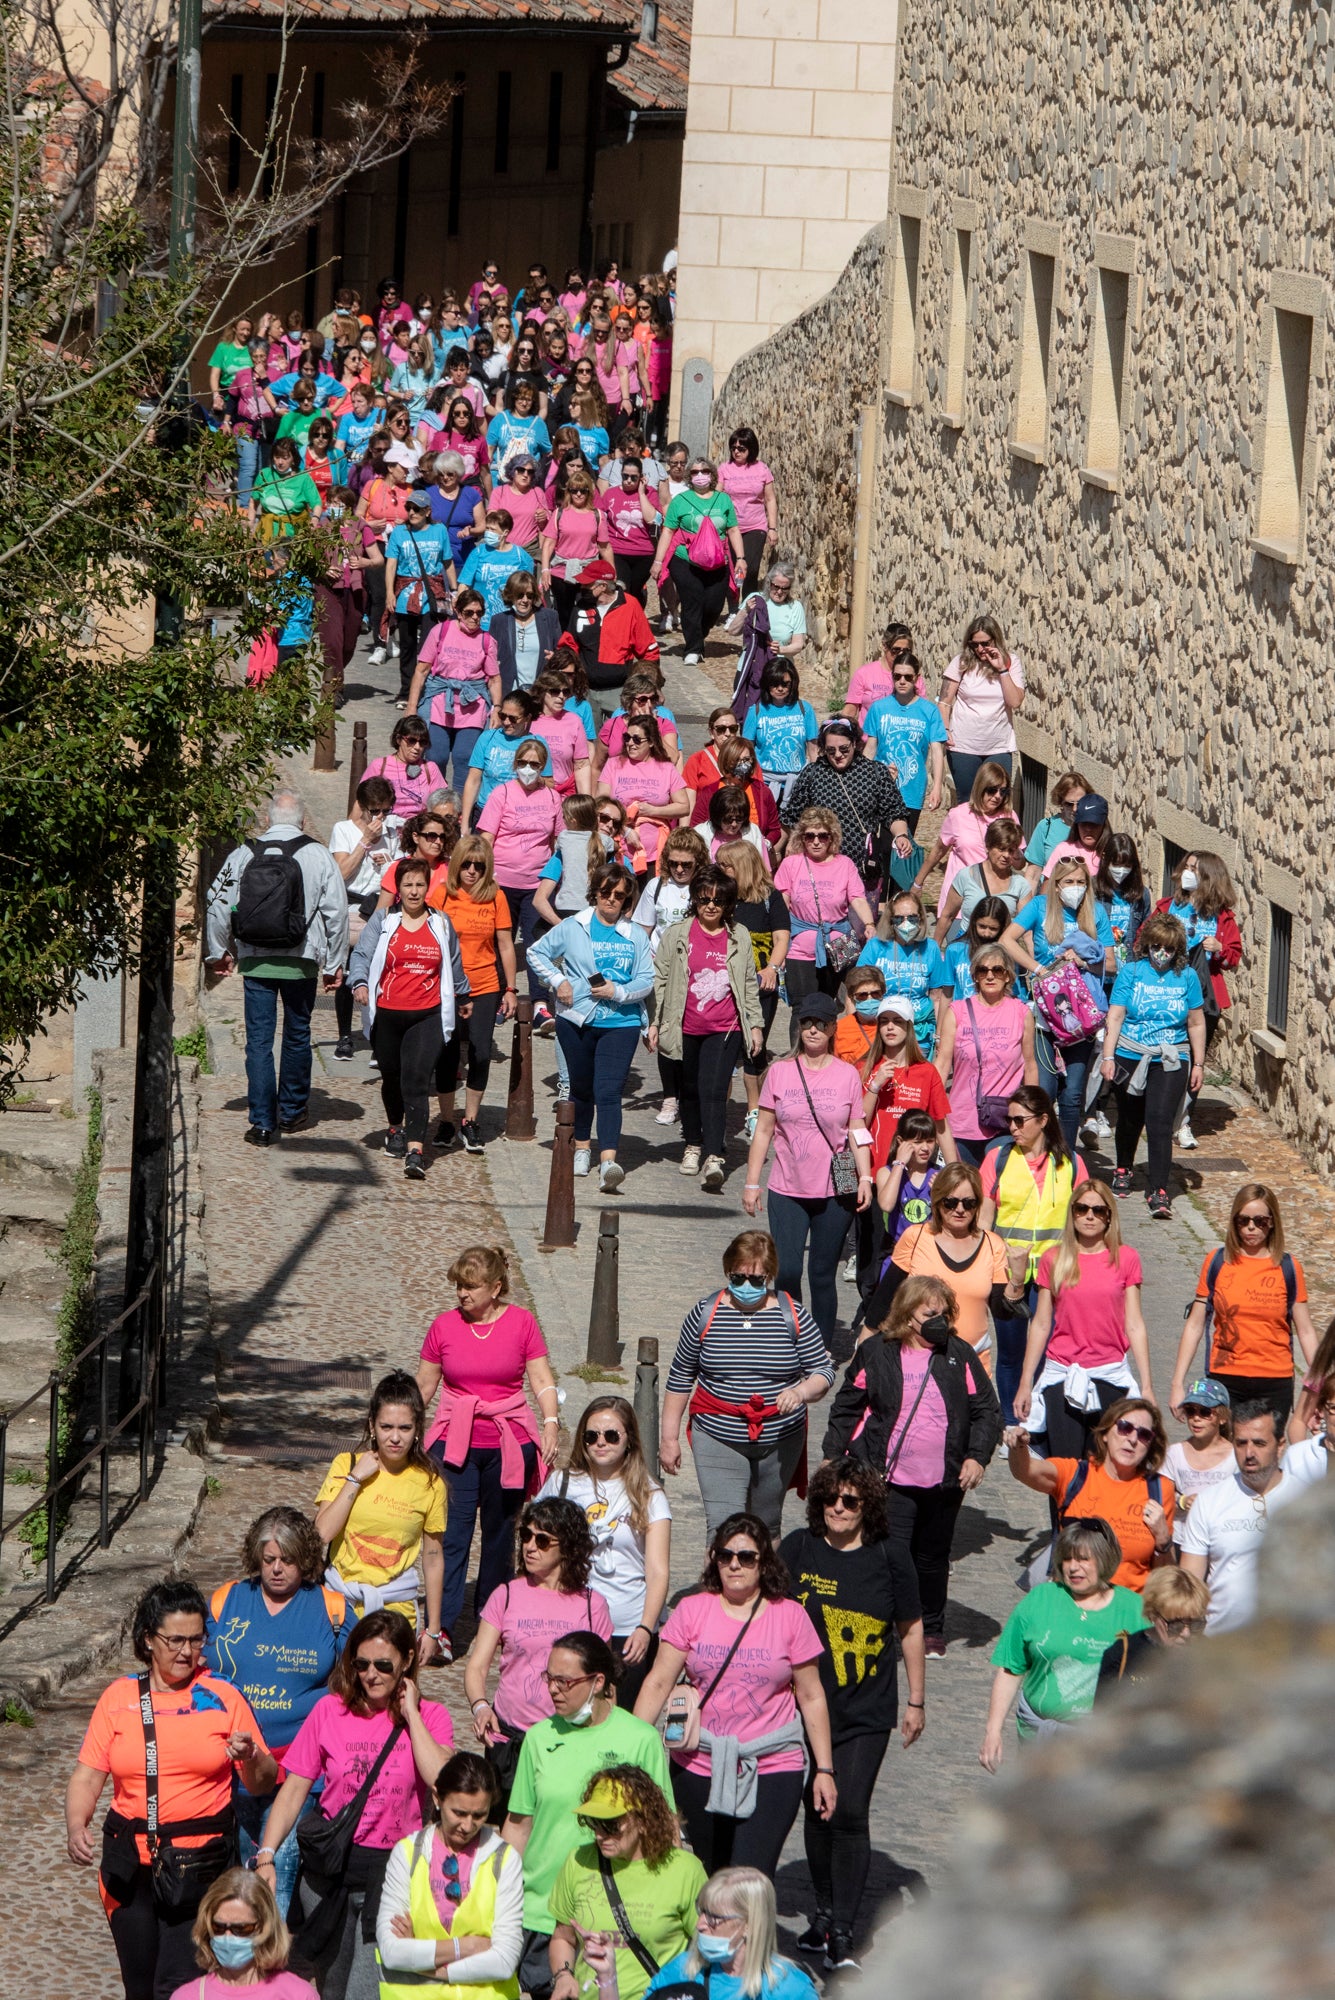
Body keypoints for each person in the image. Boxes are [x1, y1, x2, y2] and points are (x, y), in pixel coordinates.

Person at [66, 1579, 276, 2000]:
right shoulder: (119, 1697)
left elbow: (263, 1781)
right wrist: (77, 1824)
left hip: (201, 1868)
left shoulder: (223, 1697)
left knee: (178, 1987)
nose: (186, 1652)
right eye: (175, 1640)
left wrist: (251, 1755)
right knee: (140, 1987)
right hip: (131, 1868)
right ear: (148, 1639)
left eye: (196, 1640)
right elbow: (88, 1775)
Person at [256, 1611, 454, 1999]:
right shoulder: (329, 1710)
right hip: (329, 1875)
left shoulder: (431, 1716)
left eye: (383, 1665)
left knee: (365, 1992)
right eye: (361, 1664)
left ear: (408, 1661)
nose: (371, 1675)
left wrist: (411, 1714)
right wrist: (266, 1854)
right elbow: (295, 1789)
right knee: (332, 1988)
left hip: (392, 1876)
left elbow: (442, 1782)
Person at [779, 1457, 925, 1970]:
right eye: (829, 1500)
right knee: (815, 1810)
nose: (838, 1509)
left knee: (849, 1809)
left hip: (866, 1707)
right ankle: (821, 1913)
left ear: (867, 1507)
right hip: (800, 1709)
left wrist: (916, 1700)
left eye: (850, 1501)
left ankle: (844, 1929)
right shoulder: (798, 1549)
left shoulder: (889, 1556)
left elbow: (909, 1628)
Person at [632, 1513, 835, 1876]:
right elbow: (659, 1681)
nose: (734, 1564)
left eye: (746, 1557)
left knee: (747, 1878)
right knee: (711, 1874)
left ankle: (751, 1933)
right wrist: (628, 1749)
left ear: (764, 1562)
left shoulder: (790, 1616)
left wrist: (824, 1769)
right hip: (698, 1762)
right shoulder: (693, 1609)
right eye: (725, 1556)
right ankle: (717, 1935)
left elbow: (811, 1696)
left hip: (771, 1765)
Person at [826, 1277, 1000, 1653]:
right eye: (929, 1313)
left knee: (933, 1558)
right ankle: (891, 1625)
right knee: (893, 1554)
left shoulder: (960, 1355)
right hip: (889, 1479)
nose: (939, 1320)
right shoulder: (875, 1353)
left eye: (944, 1314)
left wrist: (977, 1456)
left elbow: (986, 1410)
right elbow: (846, 1405)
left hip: (945, 1480)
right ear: (907, 1316)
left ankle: (931, 1627)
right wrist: (833, 1455)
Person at [501, 1635, 671, 2000]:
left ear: (597, 1682)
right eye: (549, 1678)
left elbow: (663, 1826)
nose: (553, 1690)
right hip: (541, 1913)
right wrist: (495, 1894)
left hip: (611, 1916)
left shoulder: (639, 1739)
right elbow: (519, 1825)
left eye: (565, 1681)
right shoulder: (537, 1738)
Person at [416, 1244, 559, 1656]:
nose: (462, 1293)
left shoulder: (522, 1323)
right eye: (458, 1285)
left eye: (471, 1286)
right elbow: (424, 1387)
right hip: (454, 1443)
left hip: (507, 1443)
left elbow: (541, 1378)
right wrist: (398, 1428)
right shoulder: (443, 1326)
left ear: (495, 1288)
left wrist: (550, 1423)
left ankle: (491, 1625)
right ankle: (440, 1628)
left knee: (499, 1537)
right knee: (452, 1535)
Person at [204, 1509, 348, 1915]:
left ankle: (265, 1957)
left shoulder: (331, 1608)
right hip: (231, 1765)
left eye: (287, 1560)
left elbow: (364, 1668)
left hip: (299, 1771)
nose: (277, 1569)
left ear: (305, 1559)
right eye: (269, 1560)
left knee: (276, 1870)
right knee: (237, 1870)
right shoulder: (227, 1600)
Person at [661, 1229, 832, 1538]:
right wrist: (669, 1438)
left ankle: (766, 1587)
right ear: (728, 1272)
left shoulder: (793, 1314)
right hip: (717, 1435)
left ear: (770, 1276)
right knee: (723, 1529)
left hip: (780, 1437)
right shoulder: (704, 1313)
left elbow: (822, 1371)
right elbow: (680, 1376)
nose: (747, 1287)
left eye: (757, 1281)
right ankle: (717, 1587)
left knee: (766, 1527)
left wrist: (800, 1392)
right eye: (738, 1278)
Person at [205, 788, 349, 1147]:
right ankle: (292, 1112)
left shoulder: (243, 852)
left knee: (258, 1041)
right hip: (300, 959)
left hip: (255, 958)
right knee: (297, 1034)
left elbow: (217, 902)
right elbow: (337, 912)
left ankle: (262, 1123)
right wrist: (335, 963)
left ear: (267, 820)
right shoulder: (318, 855)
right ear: (302, 821)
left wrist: (218, 951)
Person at [742, 992, 873, 1344]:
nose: (813, 1030)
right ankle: (791, 1338)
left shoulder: (847, 1075)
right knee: (787, 1271)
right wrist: (752, 1183)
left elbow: (857, 1129)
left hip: (834, 1191)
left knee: (821, 1273)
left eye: (821, 1024)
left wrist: (866, 1178)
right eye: (806, 1023)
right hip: (787, 1188)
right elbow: (764, 1131)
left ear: (832, 1028)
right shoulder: (780, 1073)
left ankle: (821, 1348)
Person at [465, 1500, 615, 1790]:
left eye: (542, 1540)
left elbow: (606, 1684)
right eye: (525, 1536)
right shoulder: (505, 1595)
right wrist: (480, 1707)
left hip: (570, 1741)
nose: (530, 1546)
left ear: (567, 1547)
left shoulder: (592, 1605)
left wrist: (603, 1739)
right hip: (509, 1740)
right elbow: (476, 1667)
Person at [979, 1519, 1148, 1769]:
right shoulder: (1040, 1600)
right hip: (1039, 1742)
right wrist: (993, 1731)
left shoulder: (1134, 1609)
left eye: (1083, 1559)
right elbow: (1010, 1669)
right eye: (1067, 1559)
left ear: (1105, 1559)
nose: (1073, 1567)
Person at [527, 860, 655, 1192]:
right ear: (595, 893)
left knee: (609, 1092)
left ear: (627, 902)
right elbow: (536, 953)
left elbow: (646, 980)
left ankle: (609, 1160)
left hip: (621, 1022)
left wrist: (620, 992)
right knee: (581, 1088)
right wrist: (557, 980)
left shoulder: (635, 936)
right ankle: (582, 1147)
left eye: (620, 896)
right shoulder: (574, 926)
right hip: (576, 1019)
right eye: (605, 892)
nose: (611, 899)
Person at [537, 1397, 671, 1710]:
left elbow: (658, 1571)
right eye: (591, 1435)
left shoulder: (649, 1494)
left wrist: (646, 1627)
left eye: (611, 1435)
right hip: (572, 1620)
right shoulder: (562, 1483)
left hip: (628, 1625)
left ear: (629, 1441)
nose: (601, 1443)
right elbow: (535, 1544)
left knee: (620, 1720)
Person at [1013, 1180, 1152, 1456]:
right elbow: (1041, 1324)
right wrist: (1026, 1381)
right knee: (1063, 1468)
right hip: (1062, 1375)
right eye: (1082, 1209)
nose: (1090, 1216)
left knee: (1106, 1467)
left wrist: (1147, 1386)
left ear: (1109, 1216)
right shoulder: (1054, 1259)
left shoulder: (1126, 1258)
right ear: (1072, 1213)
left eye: (1098, 1210)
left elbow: (1134, 1324)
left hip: (1109, 1376)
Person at [349, 857, 467, 1177]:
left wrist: (464, 994)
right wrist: (359, 982)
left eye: (420, 884)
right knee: (392, 1076)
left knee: (416, 1079)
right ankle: (394, 1129)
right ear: (398, 889)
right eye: (408, 885)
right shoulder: (384, 920)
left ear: (428, 887)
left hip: (426, 1014)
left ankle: (416, 1151)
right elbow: (362, 955)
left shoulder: (441, 922)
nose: (414, 891)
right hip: (387, 1014)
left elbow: (454, 960)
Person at [649, 864, 764, 1191]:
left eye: (717, 900)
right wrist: (655, 1022)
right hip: (685, 1025)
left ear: (728, 904)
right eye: (704, 899)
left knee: (714, 1090)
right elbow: (660, 980)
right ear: (695, 901)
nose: (710, 906)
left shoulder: (738, 935)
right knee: (690, 1089)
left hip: (725, 1027)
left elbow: (747, 984)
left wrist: (754, 1026)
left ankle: (714, 1156)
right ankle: (693, 1144)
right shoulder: (678, 934)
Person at [978, 1085, 1088, 1423]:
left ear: (1043, 1120)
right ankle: (1011, 1424)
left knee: (1043, 1351)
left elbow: (1086, 1219)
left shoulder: (1070, 1164)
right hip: (1007, 1274)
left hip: (1052, 1277)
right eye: (1008, 1120)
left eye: (1019, 1120)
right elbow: (984, 1220)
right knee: (1010, 1354)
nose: (1012, 1127)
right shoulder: (997, 1160)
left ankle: (1037, 1417)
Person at [375, 1751, 525, 2000]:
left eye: (479, 1816)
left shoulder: (505, 1860)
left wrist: (432, 1966)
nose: (468, 1826)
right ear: (437, 1798)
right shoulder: (407, 1854)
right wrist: (465, 1947)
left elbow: (505, 1959)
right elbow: (391, 1952)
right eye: (459, 1813)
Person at [313, 1372, 447, 1651]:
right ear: (372, 1426)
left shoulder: (430, 1483)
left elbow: (433, 1557)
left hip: (397, 1613)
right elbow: (322, 1533)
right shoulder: (345, 1464)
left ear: (418, 1429)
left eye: (405, 1428)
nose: (395, 1438)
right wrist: (354, 1479)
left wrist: (433, 1631)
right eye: (386, 1427)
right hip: (340, 1606)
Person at [547, 1768, 706, 2000]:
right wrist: (564, 1976)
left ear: (643, 1821)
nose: (600, 1834)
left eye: (611, 1824)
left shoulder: (685, 1870)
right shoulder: (578, 1861)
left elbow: (706, 1947)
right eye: (594, 1821)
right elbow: (563, 1937)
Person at [1169, 1183, 1316, 1427]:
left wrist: (1321, 1383)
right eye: (1243, 1220)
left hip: (1274, 1379)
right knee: (1225, 1456)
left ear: (1272, 1223)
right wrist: (1176, 1383)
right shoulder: (1216, 1262)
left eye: (1260, 1221)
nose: (1251, 1227)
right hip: (1225, 1379)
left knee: (1265, 1458)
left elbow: (1306, 1330)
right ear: (1234, 1221)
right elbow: (1194, 1326)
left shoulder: (1288, 1267)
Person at [1005, 1396, 1175, 1592]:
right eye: (1124, 1427)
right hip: (1071, 1607)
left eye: (1144, 1435)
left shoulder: (1160, 1489)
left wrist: (1163, 1539)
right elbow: (1025, 1471)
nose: (1133, 1439)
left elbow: (1165, 1574)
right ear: (1105, 1433)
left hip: (1128, 1614)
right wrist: (1018, 1447)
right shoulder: (1076, 1475)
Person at [1099, 912, 1208, 1217]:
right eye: (1157, 946)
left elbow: (1196, 1022)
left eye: (1170, 949)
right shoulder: (1131, 972)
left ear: (1178, 951)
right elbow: (1116, 1016)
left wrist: (1198, 1064)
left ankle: (1159, 1189)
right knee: (1130, 1118)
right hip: (1130, 1053)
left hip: (1171, 1057)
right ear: (1146, 945)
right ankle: (1123, 1166)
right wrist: (1108, 1057)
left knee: (1160, 1121)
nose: (1162, 954)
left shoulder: (1186, 977)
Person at [1002, 860, 1115, 1148]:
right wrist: (1038, 969)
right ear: (1056, 884)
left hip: (1081, 1015)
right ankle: (1040, 1150)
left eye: (1081, 882)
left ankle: (1065, 1154)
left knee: (1073, 1092)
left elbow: (1111, 962)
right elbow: (1007, 940)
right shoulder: (1039, 906)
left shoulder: (1096, 913)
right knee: (1045, 1089)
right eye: (1069, 882)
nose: (1075, 888)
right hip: (1045, 1014)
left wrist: (1084, 962)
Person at [864, 1164, 1020, 1369]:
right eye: (951, 1202)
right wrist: (863, 1357)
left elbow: (1001, 1312)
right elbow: (883, 1302)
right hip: (916, 1363)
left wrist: (1017, 1279)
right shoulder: (916, 1237)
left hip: (971, 1365)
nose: (960, 1209)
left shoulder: (993, 1245)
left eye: (969, 1203)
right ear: (937, 1202)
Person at [581, 1866, 818, 2000]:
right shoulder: (684, 1970)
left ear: (749, 1925)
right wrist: (607, 1976)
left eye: (713, 1917)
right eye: (701, 1911)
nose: (700, 1924)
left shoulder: (790, 1988)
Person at [1178, 1402, 1306, 1631]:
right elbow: (1189, 1584)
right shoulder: (1209, 1502)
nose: (1249, 1453)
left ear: (1280, 1446)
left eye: (1259, 1443)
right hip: (1224, 1647)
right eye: (1241, 1443)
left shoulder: (1306, 1500)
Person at [425, 837, 517, 1150]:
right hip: (448, 987)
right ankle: (447, 1120)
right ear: (457, 865)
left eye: (479, 866)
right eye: (467, 864)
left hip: (485, 985)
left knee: (479, 1053)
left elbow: (505, 944)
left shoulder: (496, 897)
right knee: (447, 1053)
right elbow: (430, 940)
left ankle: (471, 1120)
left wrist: (511, 989)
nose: (472, 871)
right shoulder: (443, 895)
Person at [1151, 850, 1243, 1147]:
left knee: (1194, 1061)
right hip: (1165, 993)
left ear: (1209, 879)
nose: (1187, 873)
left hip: (1205, 998)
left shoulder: (1223, 917)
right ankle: (1158, 1113)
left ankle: (1184, 1121)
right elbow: (1145, 939)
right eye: (1186, 867)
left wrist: (1218, 948)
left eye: (1195, 869)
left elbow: (1233, 958)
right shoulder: (1167, 907)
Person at [779, 717, 911, 900]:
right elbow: (791, 817)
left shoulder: (875, 772)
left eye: (844, 749)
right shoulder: (812, 773)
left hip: (863, 865)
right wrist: (775, 849)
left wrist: (901, 835)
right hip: (821, 864)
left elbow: (893, 811)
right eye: (830, 750)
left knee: (862, 923)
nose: (838, 755)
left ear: (855, 744)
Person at [477, 736, 564, 997]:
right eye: (523, 763)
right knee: (499, 941)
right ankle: (500, 996)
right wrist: (486, 876)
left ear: (543, 767)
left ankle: (539, 1001)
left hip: (536, 886)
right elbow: (486, 839)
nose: (528, 769)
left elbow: (559, 840)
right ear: (515, 764)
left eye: (535, 764)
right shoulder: (501, 793)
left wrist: (556, 878)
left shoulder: (552, 798)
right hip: (501, 882)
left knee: (536, 943)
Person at [934, 941, 1037, 1161]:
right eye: (983, 970)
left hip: (1004, 1120)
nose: (990, 976)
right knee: (966, 1189)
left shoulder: (1021, 1013)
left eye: (997, 970)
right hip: (962, 1118)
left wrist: (1032, 1113)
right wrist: (931, 1108)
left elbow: (1029, 1064)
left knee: (997, 1184)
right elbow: (942, 1064)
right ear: (975, 976)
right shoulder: (957, 1012)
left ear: (1008, 975)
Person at [716, 839, 790, 1138]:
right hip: (724, 983)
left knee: (754, 1050)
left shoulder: (770, 897)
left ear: (743, 867)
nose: (719, 869)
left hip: (761, 985)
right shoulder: (721, 896)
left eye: (725, 865)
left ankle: (753, 1109)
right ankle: (718, 1111)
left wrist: (772, 968)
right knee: (722, 1052)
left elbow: (782, 937)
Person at [650, 454, 747, 666]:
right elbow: (668, 531)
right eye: (695, 472)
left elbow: (732, 529)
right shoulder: (680, 501)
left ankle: (698, 635)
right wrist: (658, 561)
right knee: (692, 600)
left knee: (713, 606)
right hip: (685, 560)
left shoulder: (723, 500)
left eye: (704, 471)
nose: (700, 475)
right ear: (689, 476)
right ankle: (693, 648)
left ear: (712, 475)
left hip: (717, 562)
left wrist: (740, 558)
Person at [773, 807, 873, 1005]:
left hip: (839, 944)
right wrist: (778, 947)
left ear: (832, 837)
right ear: (802, 838)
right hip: (800, 947)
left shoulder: (845, 864)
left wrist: (869, 924)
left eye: (822, 836)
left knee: (836, 1005)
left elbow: (857, 898)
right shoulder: (790, 864)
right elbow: (781, 907)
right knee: (802, 1008)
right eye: (810, 836)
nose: (816, 841)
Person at [328, 776, 397, 1061]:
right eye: (374, 811)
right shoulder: (343, 830)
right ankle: (345, 1035)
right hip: (352, 906)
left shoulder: (394, 830)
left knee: (379, 972)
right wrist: (366, 842)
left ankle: (378, 1035)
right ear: (362, 807)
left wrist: (390, 861)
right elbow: (340, 874)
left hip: (383, 903)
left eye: (385, 810)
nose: (380, 817)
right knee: (347, 972)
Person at [170, 1867, 317, 2000]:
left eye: (240, 1929)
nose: (228, 1937)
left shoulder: (299, 1995)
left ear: (265, 1928)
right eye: (218, 1927)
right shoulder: (186, 1996)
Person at [408, 588, 502, 789]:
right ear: (458, 612)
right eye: (469, 612)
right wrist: (411, 707)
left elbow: (494, 679)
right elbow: (422, 670)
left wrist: (497, 708)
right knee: (436, 755)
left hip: (472, 705)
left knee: (464, 758)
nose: (475, 617)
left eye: (479, 613)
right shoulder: (440, 631)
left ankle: (459, 810)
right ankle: (436, 803)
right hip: (440, 700)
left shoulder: (487, 641)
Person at [554, 562, 660, 726]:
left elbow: (648, 651)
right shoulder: (581, 605)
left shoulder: (630, 606)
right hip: (584, 691)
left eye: (587, 584)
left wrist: (648, 688)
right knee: (588, 744)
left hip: (618, 691)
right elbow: (569, 643)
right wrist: (560, 661)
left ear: (602, 586)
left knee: (619, 743)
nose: (582, 586)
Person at [860, 995, 957, 1174]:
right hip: (873, 1170)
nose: (890, 1027)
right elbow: (858, 1125)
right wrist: (874, 1087)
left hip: (914, 1173)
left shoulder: (926, 1071)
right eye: (884, 1021)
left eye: (897, 1021)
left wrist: (954, 1172)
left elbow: (941, 1128)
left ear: (909, 1026)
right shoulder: (864, 1068)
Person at [855, 888, 951, 1058]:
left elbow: (937, 997)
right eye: (899, 918)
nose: (906, 924)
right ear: (891, 921)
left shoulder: (931, 948)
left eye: (912, 918)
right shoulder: (876, 946)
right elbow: (855, 990)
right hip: (884, 1025)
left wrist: (939, 1034)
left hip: (919, 1028)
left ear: (921, 919)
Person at [937, 613, 1025, 797]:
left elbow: (1015, 701)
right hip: (964, 746)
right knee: (968, 801)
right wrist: (945, 729)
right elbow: (944, 702)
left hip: (998, 746)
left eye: (985, 643)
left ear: (996, 639)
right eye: (974, 644)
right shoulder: (961, 663)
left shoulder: (1011, 662)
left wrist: (1002, 669)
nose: (980, 649)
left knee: (997, 801)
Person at [1093, 1565, 1212, 1701]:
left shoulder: (1212, 1656)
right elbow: (1104, 1715)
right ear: (1153, 1615)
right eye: (1175, 1625)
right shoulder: (1122, 1654)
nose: (1186, 1633)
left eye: (1196, 1624)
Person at [859, 652, 947, 834]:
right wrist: (862, 779)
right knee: (880, 844)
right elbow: (870, 748)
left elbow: (937, 751)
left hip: (912, 788)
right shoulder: (879, 708)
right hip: (881, 786)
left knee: (904, 842)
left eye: (908, 677)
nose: (902, 681)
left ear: (917, 678)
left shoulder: (929, 711)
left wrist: (937, 786)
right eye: (897, 676)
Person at [911, 761, 1020, 903]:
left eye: (1003, 791)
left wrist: (1017, 857)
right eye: (992, 790)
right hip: (959, 899)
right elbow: (938, 851)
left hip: (995, 900)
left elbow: (1019, 863)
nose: (998, 796)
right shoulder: (957, 815)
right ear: (981, 787)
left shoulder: (1010, 817)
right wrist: (917, 883)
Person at [596, 713, 688, 874]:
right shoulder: (613, 764)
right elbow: (600, 805)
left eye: (637, 739)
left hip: (655, 854)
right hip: (616, 850)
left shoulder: (666, 768)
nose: (630, 743)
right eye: (627, 738)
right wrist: (626, 831)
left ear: (651, 742)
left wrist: (654, 811)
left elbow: (684, 807)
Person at [932, 821, 1030, 945]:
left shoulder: (1020, 885)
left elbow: (1027, 929)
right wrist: (934, 952)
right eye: (1001, 849)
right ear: (988, 846)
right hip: (967, 947)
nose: (1006, 855)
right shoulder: (966, 876)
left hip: (999, 950)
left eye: (1011, 851)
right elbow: (947, 916)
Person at [1162, 1379, 1235, 1541]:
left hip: (1221, 1538)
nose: (1196, 1418)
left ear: (1222, 1418)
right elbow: (1160, 1496)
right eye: (1190, 1411)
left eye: (1205, 1412)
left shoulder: (1235, 1457)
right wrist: (1183, 1501)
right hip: (1182, 1539)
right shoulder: (1174, 1453)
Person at [540, 468, 613, 625]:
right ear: (569, 492)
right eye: (574, 490)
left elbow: (604, 547)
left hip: (589, 572)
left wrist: (612, 573)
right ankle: (566, 645)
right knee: (564, 614)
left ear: (589, 492)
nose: (578, 494)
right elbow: (548, 544)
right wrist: (545, 570)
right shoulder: (559, 513)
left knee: (586, 614)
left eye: (583, 490)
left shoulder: (597, 515)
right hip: (561, 571)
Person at [742, 662, 818, 807]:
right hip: (764, 783)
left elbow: (813, 750)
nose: (780, 688)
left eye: (785, 684)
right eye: (774, 684)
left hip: (797, 784)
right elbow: (746, 750)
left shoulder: (804, 709)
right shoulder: (756, 711)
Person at [717, 427, 778, 587]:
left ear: (751, 449)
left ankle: (748, 604)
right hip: (731, 527)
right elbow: (717, 496)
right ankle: (734, 602)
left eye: (741, 448)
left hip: (755, 526)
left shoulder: (762, 469)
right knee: (732, 567)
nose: (736, 451)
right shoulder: (724, 469)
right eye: (733, 448)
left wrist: (772, 528)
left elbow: (770, 499)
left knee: (750, 569)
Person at [599, 454, 661, 605]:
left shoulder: (650, 492)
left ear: (641, 477)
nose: (628, 480)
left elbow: (652, 519)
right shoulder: (610, 494)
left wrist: (641, 493)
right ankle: (622, 624)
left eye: (634, 477)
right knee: (622, 590)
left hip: (644, 553)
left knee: (635, 591)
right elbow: (600, 518)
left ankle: (635, 619)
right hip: (618, 551)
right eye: (625, 476)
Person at [364, 718, 447, 827]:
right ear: (398, 739)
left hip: (419, 831)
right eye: (411, 740)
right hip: (385, 828)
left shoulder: (430, 769)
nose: (417, 747)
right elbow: (361, 804)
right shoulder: (379, 766)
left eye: (422, 742)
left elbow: (440, 807)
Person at [530, 671, 593, 799]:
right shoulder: (529, 720)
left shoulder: (574, 721)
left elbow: (581, 764)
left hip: (565, 794)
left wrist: (586, 801)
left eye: (566, 692)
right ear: (542, 692)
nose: (561, 696)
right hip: (533, 792)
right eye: (555, 691)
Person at [1023, 770, 1094, 877]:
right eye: (1069, 804)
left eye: (1080, 803)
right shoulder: (1046, 827)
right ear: (1060, 802)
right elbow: (1033, 872)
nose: (1075, 809)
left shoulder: (1095, 828)